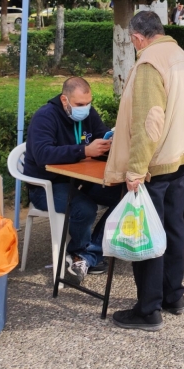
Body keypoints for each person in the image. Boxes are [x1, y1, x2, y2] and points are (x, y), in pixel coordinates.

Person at [104, 11, 184, 331]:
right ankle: (173, 295)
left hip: (155, 163)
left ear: (137, 38)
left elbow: (149, 121)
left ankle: (149, 309)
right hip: (180, 158)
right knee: (173, 230)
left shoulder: (150, 62)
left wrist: (135, 169)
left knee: (147, 234)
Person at [23, 77, 117, 280]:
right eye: (80, 104)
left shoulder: (89, 113)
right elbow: (43, 154)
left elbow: (100, 135)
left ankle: (87, 254)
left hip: (82, 180)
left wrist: (109, 143)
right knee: (84, 209)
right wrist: (84, 150)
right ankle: (80, 254)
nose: (85, 108)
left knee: (125, 196)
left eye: (88, 103)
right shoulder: (45, 117)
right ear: (64, 100)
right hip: (46, 186)